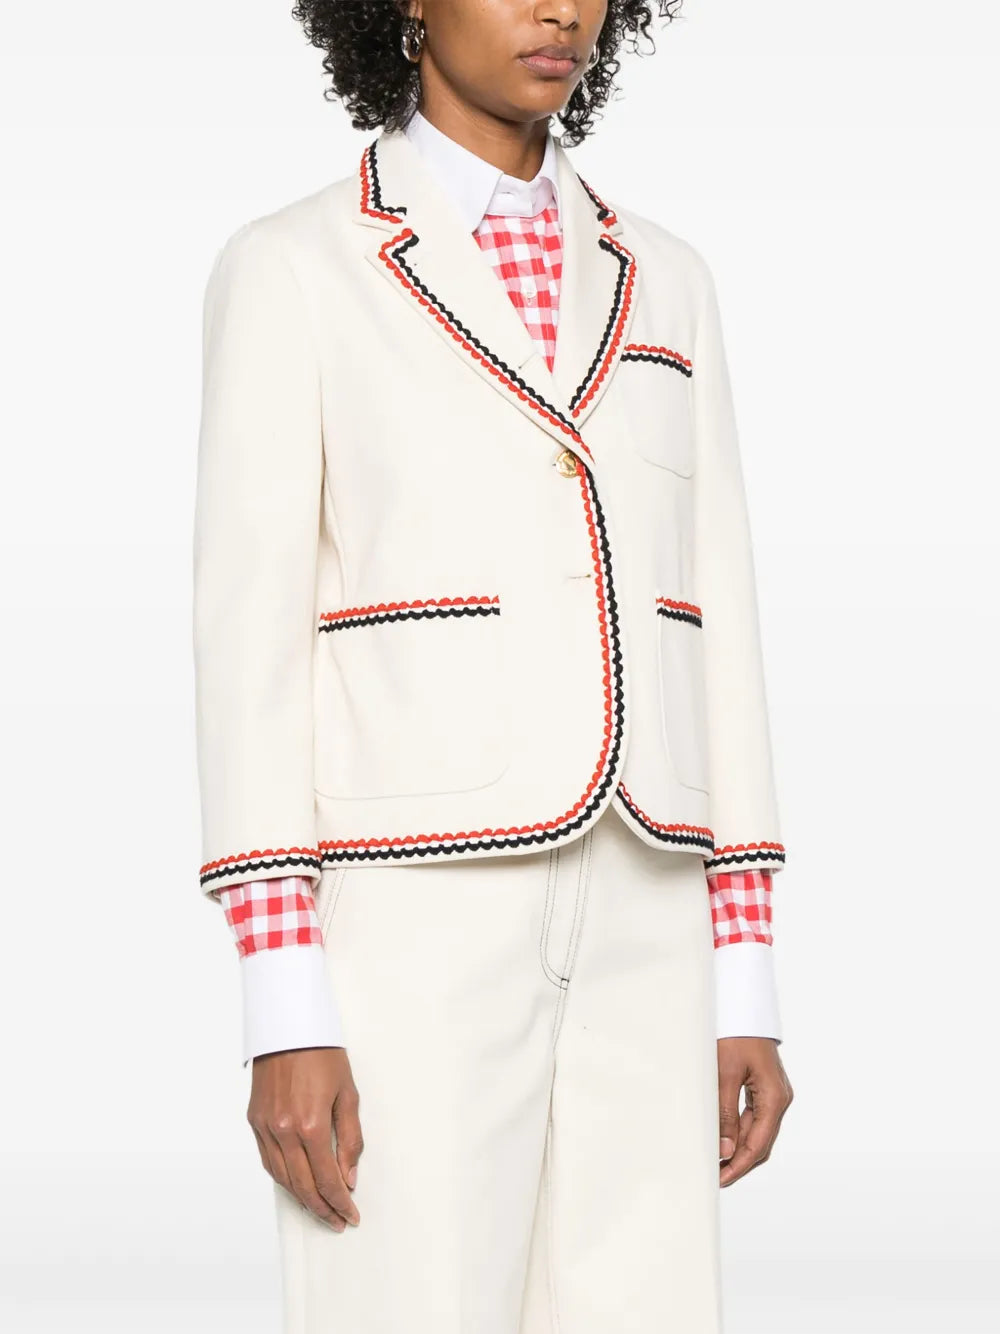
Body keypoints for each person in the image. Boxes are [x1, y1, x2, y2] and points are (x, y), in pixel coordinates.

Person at [191, 1, 795, 1329]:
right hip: (412, 902)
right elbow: (248, 647)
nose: (559, 10)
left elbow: (719, 621)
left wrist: (743, 974)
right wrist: (283, 1004)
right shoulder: (295, 266)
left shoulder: (668, 277)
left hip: (648, 894)